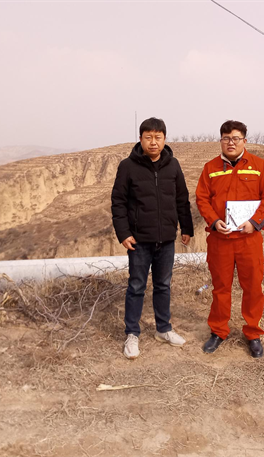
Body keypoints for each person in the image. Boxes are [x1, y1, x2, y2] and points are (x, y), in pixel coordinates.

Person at [195, 120, 264, 358]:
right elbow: (202, 198)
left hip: (248, 239)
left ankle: (252, 333)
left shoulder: (259, 166)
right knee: (220, 288)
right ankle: (218, 331)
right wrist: (214, 221)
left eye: (235, 138)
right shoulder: (210, 168)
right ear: (221, 141)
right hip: (220, 239)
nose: (230, 143)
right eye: (226, 138)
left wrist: (255, 222)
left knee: (252, 287)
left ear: (244, 140)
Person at [111, 117, 194, 359]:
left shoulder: (173, 165)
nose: (153, 142)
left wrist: (186, 227)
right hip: (139, 240)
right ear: (140, 139)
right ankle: (132, 334)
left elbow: (182, 199)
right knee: (136, 286)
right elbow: (118, 202)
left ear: (165, 139)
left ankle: (163, 329)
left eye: (158, 137)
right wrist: (123, 233)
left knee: (163, 285)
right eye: (148, 137)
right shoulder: (128, 166)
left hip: (166, 239)